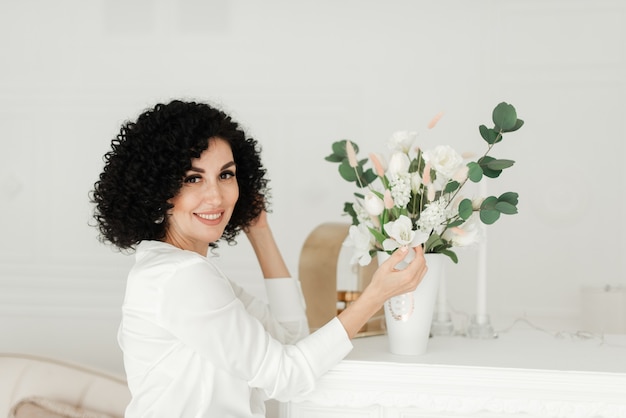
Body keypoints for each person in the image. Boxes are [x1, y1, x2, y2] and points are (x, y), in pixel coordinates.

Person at [91, 99, 427, 418]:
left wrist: (260, 230)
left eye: (226, 174)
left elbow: (291, 337)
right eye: (193, 178)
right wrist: (375, 296)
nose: (216, 195)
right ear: (157, 190)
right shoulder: (180, 277)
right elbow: (287, 378)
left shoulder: (184, 271)